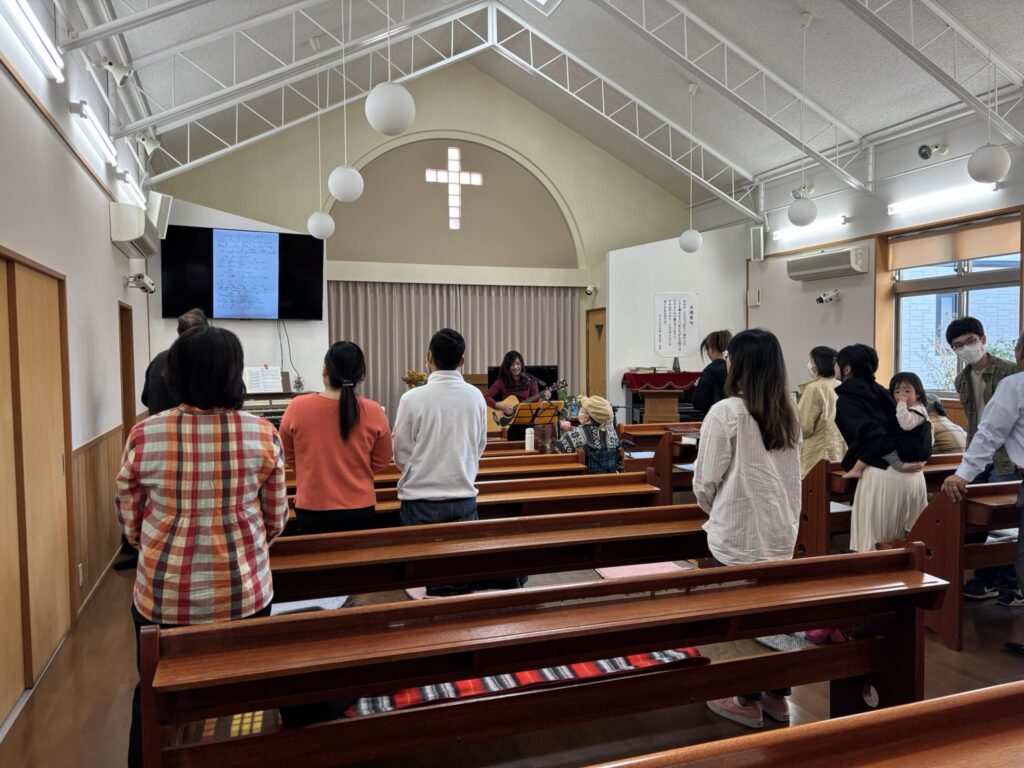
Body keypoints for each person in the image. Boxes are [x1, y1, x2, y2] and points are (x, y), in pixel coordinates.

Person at [115, 325, 288, 768]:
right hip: (245, 593)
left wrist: (154, 542)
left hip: (163, 596)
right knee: (239, 687)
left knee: (153, 691)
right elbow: (275, 519)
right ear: (235, 374)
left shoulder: (144, 434)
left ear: (175, 374)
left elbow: (130, 521)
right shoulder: (262, 433)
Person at [694, 329, 802, 730]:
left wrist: (717, 510)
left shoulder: (726, 412)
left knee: (739, 620)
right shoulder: (788, 410)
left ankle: (745, 698)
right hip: (780, 530)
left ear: (738, 365)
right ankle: (777, 695)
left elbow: (705, 482)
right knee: (774, 614)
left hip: (737, 532)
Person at [392, 328, 488, 596]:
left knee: (420, 579)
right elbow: (479, 445)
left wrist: (420, 468)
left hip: (420, 501)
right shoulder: (476, 397)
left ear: (428, 358)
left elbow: (400, 451)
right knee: (460, 579)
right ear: (462, 361)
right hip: (463, 497)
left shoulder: (412, 398)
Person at [943, 330, 1024, 609]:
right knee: (977, 518)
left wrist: (963, 473)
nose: (965, 348)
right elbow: (977, 425)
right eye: (957, 345)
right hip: (988, 458)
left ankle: (1006, 581)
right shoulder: (962, 379)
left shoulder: (1012, 379)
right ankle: (989, 578)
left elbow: (990, 432)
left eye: (969, 341)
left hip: (1006, 461)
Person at [279, 341, 392, 534]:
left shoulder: (297, 406)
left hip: (312, 508)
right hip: (360, 508)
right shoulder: (374, 410)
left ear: (325, 371)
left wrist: (314, 470)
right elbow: (382, 461)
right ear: (360, 376)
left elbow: (287, 456)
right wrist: (355, 471)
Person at [834, 345, 927, 553]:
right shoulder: (885, 393)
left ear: (847, 369)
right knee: (908, 546)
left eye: (837, 363)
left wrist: (896, 462)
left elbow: (877, 437)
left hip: (884, 473)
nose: (834, 367)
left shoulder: (849, 400)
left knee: (873, 547)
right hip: (913, 476)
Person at [843, 372, 933, 479]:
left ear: (918, 393)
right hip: (909, 455)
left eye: (907, 391)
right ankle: (857, 469)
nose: (902, 395)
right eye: (897, 392)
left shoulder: (917, 410)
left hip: (907, 452)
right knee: (875, 443)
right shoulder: (912, 409)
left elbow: (905, 424)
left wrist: (902, 404)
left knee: (877, 444)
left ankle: (857, 469)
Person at [141, 307, 208, 415]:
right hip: (191, 424)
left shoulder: (158, 359)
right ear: (207, 332)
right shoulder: (210, 362)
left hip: (157, 423)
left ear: (178, 331)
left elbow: (145, 399)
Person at [797, 345, 846, 478]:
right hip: (837, 453)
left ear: (819, 363)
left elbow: (804, 427)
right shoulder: (840, 386)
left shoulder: (814, 388)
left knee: (813, 488)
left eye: (812, 361)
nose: (810, 365)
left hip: (816, 455)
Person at [485, 350, 552, 438]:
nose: (516, 367)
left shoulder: (530, 380)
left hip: (525, 421)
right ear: (507, 366)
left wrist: (544, 398)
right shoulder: (501, 381)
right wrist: (500, 406)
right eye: (512, 365)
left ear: (521, 365)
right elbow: (486, 397)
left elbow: (535, 403)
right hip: (508, 424)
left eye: (518, 364)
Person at [556, 395, 620, 473]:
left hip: (581, 480)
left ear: (587, 416)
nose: (581, 411)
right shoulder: (612, 433)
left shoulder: (575, 434)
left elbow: (556, 456)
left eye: (583, 409)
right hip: (609, 479)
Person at [692, 330, 732, 416]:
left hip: (715, 417)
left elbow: (699, 403)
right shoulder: (736, 368)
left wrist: (699, 386)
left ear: (711, 349)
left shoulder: (710, 370)